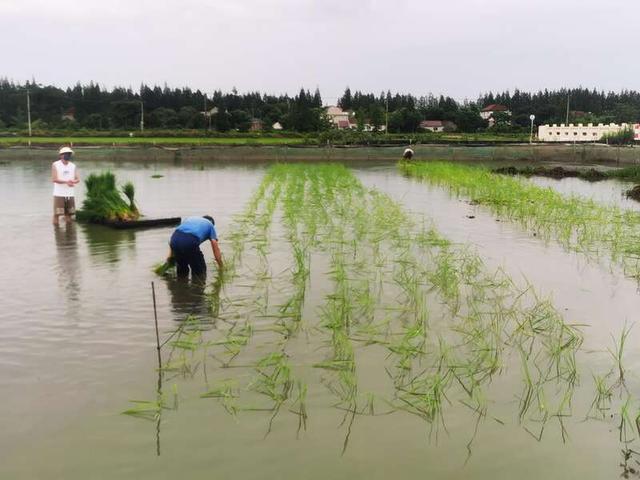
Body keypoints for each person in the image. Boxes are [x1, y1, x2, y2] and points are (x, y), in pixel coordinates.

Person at [52, 146, 80, 225]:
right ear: (61, 155)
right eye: (66, 154)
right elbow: (54, 179)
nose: (68, 155)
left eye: (69, 154)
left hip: (70, 193)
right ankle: (56, 231)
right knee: (57, 214)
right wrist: (66, 182)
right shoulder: (55, 164)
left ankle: (69, 233)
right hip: (59, 193)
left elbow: (78, 179)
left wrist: (73, 182)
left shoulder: (73, 165)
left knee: (69, 214)